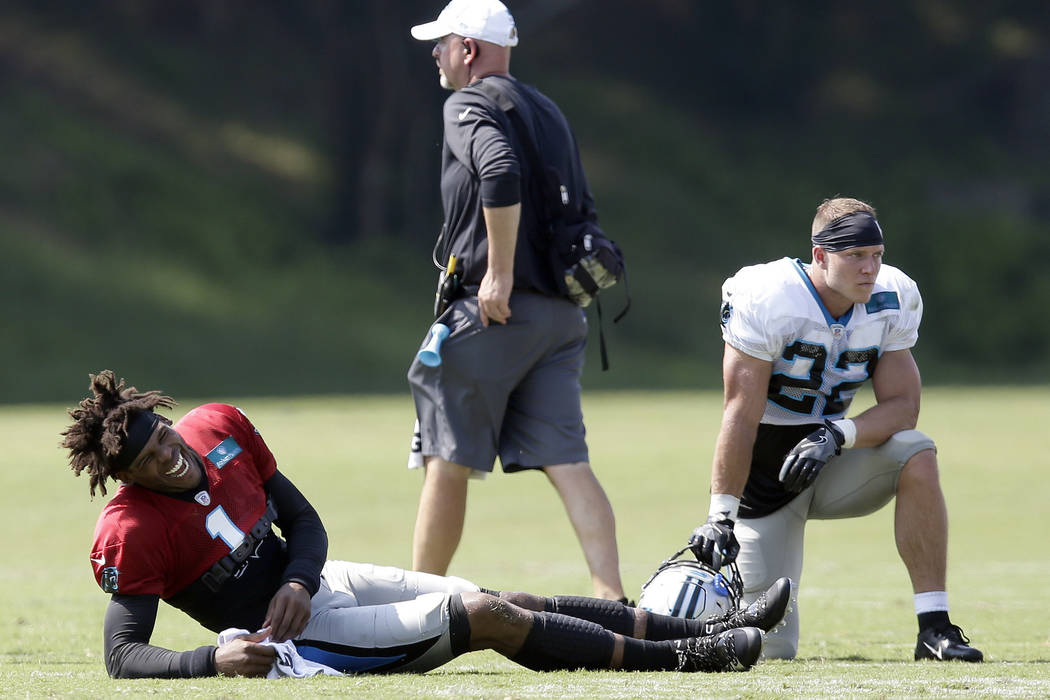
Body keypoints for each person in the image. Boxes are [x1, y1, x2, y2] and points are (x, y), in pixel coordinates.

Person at [61, 370, 792, 678]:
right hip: (305, 641)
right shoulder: (131, 530)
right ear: (127, 480)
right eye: (152, 461)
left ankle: (703, 631)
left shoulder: (217, 426)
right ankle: (694, 661)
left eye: (163, 436)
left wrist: (299, 575)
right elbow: (123, 655)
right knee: (489, 615)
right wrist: (209, 662)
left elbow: (305, 522)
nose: (171, 457)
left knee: (516, 601)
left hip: (320, 586)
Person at [686, 197, 983, 662]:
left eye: (877, 255)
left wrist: (836, 434)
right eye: (856, 256)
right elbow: (740, 412)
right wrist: (719, 514)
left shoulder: (892, 296)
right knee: (767, 648)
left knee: (916, 450)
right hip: (766, 478)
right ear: (821, 256)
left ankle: (935, 627)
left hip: (832, 459)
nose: (870, 269)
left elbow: (904, 406)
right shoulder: (768, 296)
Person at [406, 0, 626, 601]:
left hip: (496, 314)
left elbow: (499, 172)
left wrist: (497, 275)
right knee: (569, 461)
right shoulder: (546, 107)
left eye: (443, 42)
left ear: (468, 50)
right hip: (562, 315)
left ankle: (423, 601)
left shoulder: (466, 102)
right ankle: (612, 598)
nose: (436, 53)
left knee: (445, 459)